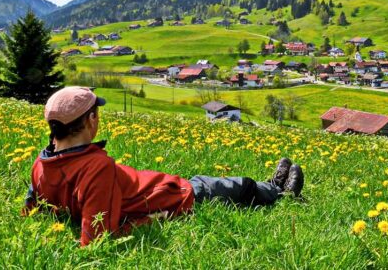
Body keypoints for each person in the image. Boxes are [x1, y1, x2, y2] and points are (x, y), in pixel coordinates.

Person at [24, 86, 304, 246]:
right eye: (97, 113)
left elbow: (31, 205)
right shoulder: (96, 167)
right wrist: (153, 220)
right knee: (238, 187)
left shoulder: (43, 161)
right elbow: (96, 236)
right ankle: (280, 192)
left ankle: (273, 187)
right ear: (90, 121)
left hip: (155, 186)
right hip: (170, 195)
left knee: (217, 185)